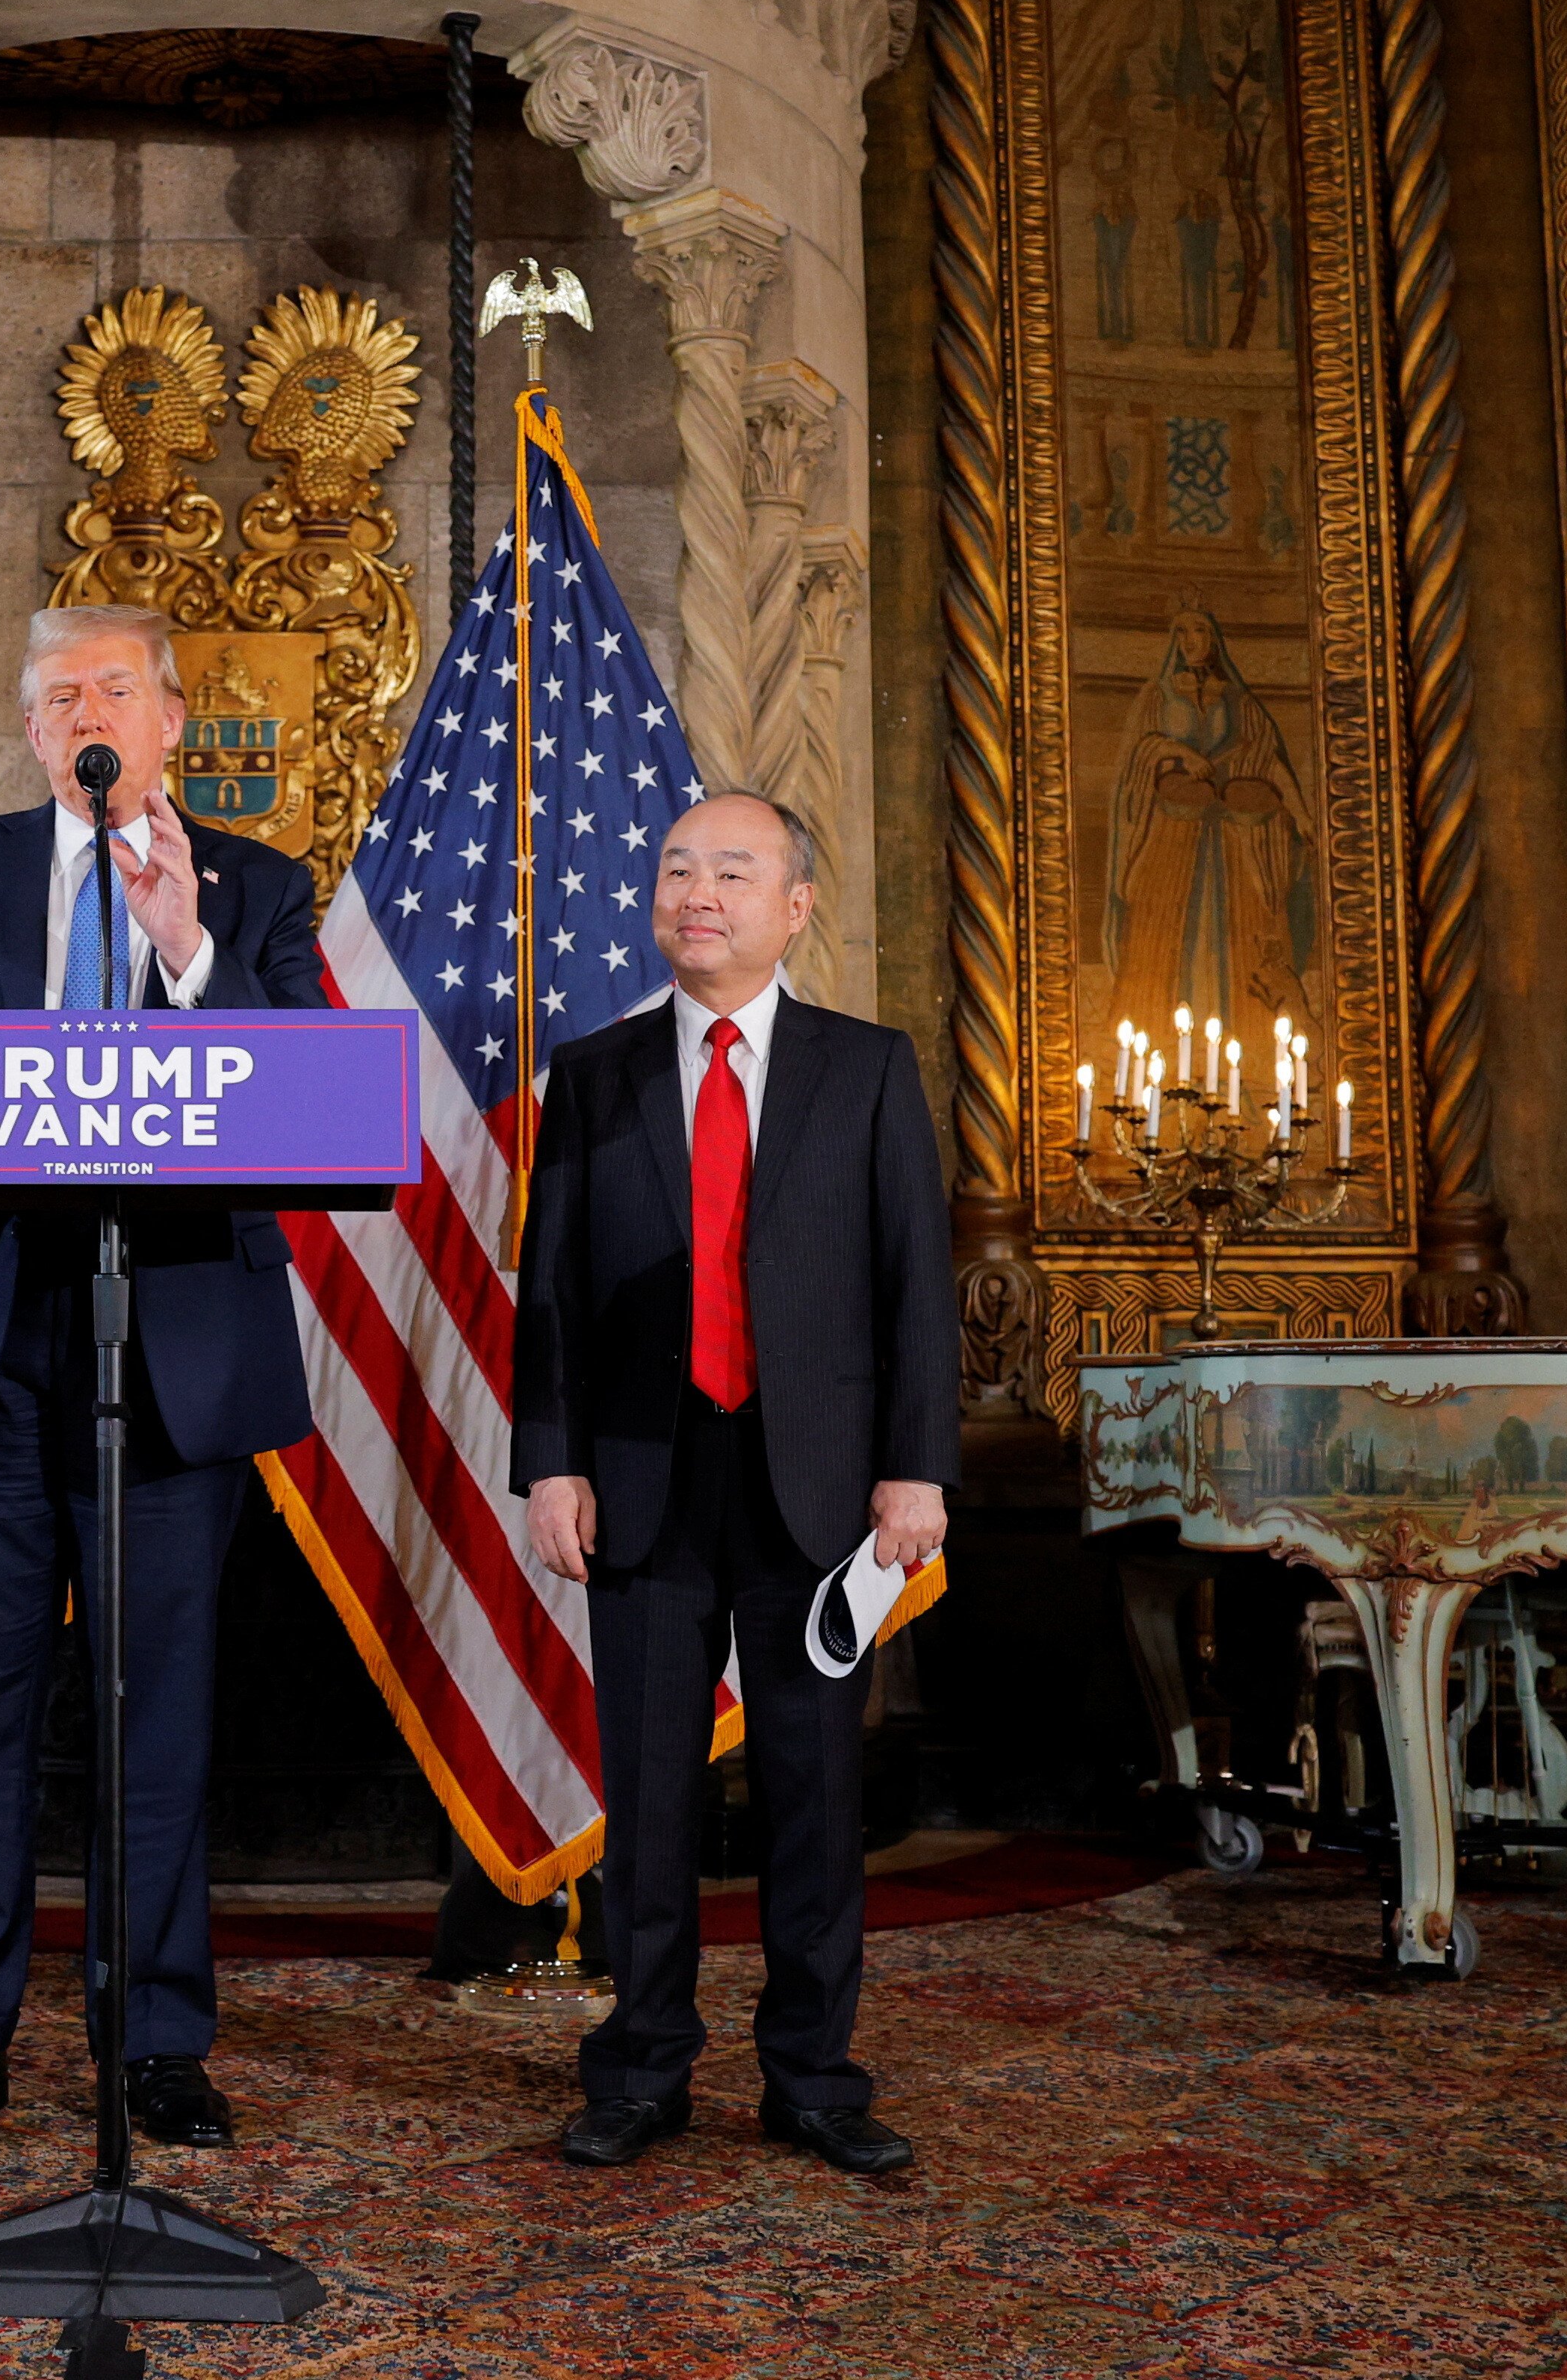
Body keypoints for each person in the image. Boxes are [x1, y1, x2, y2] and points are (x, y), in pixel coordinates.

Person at [0, 603, 327, 2154]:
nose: (81, 713)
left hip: (173, 1346)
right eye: (54, 693)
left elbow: (316, 1106)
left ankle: (157, 2040)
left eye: (110, 687)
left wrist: (187, 948)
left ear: (172, 721)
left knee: (157, 1710)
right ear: (32, 725)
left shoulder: (254, 888)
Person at [510, 795, 958, 2175]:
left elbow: (914, 1292)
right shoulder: (594, 1075)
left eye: (731, 871)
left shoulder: (868, 1070)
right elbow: (557, 1299)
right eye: (676, 869)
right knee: (645, 1799)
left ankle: (815, 2077)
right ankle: (641, 2070)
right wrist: (551, 1464)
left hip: (820, 1489)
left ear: (795, 906)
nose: (696, 892)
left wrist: (915, 1475)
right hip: (642, 1480)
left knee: (816, 1794)